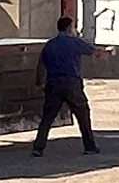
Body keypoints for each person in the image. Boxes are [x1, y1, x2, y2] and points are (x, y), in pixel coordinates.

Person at [32, 12, 97, 155]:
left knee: (47, 117)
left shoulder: (50, 45)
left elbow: (41, 65)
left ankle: (38, 147)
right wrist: (108, 52)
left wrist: (39, 83)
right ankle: (89, 147)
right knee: (82, 114)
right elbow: (93, 51)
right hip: (71, 83)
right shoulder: (74, 42)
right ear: (69, 28)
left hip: (53, 83)